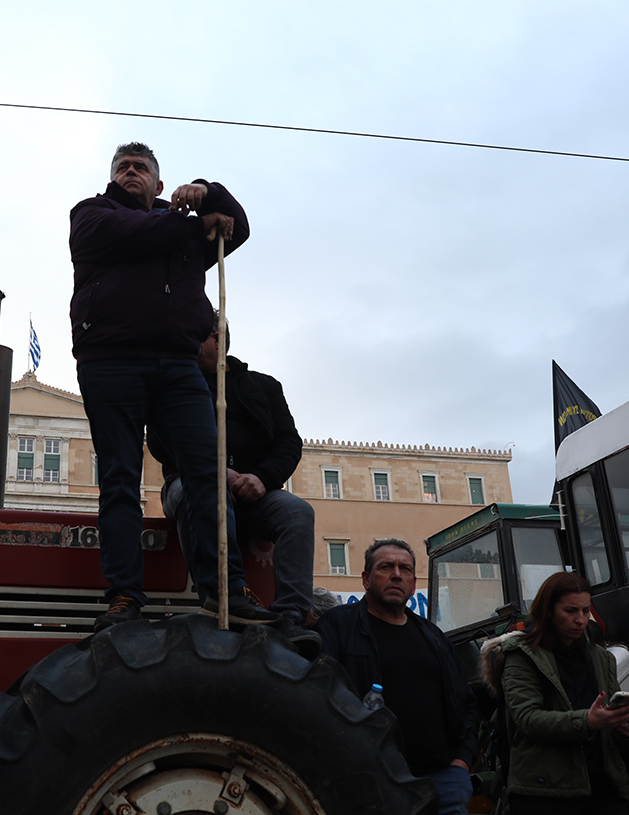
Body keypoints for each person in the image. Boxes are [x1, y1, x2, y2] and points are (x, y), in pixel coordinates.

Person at [70, 141, 274, 630]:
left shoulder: (184, 225)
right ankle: (124, 595)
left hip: (178, 365)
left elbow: (238, 225)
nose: (130, 173)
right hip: (110, 361)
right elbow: (136, 233)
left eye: (140, 168)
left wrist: (207, 193)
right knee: (119, 479)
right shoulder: (92, 215)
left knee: (206, 473)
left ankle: (222, 587)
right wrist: (194, 220)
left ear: (159, 184)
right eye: (123, 167)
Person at [152, 318, 319, 650]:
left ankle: (290, 618)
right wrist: (212, 471)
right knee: (196, 491)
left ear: (216, 338)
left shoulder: (265, 386)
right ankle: (219, 599)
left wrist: (262, 478)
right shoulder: (171, 385)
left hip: (256, 494)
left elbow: (288, 443)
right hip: (189, 484)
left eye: (191, 338)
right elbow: (160, 440)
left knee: (298, 513)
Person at [316, 539, 479, 815]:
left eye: (405, 569)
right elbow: (320, 696)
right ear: (366, 579)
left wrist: (462, 760)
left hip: (442, 783)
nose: (396, 574)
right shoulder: (337, 626)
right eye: (386, 567)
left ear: (414, 583)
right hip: (370, 783)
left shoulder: (435, 638)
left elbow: (466, 703)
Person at [486, 571, 629, 814]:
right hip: (546, 794)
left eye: (585, 611)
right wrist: (587, 720)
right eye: (570, 611)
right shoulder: (521, 655)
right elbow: (527, 719)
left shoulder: (602, 658)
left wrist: (622, 728)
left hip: (603, 790)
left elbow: (607, 721)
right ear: (548, 610)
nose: (580, 619)